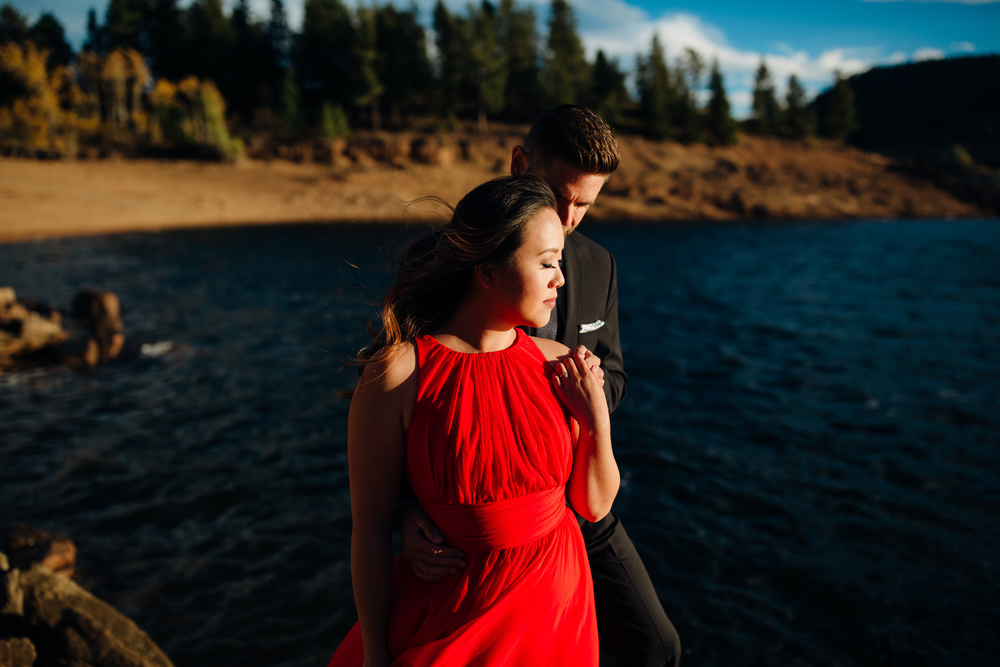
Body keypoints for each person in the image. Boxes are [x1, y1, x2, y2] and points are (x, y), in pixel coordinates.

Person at [396, 105, 682, 666]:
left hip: (571, 499)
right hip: (469, 525)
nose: (568, 217)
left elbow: (614, 371)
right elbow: (390, 399)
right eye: (558, 193)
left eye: (586, 205)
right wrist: (404, 510)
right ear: (519, 163)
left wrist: (578, 391)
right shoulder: (439, 259)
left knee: (656, 647)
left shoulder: (599, 264)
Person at [328, 174, 620, 666]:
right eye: (547, 263)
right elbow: (371, 528)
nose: (561, 280)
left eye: (561, 263)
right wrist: (375, 654)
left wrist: (596, 422)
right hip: (458, 619)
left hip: (557, 613)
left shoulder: (557, 364)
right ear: (486, 272)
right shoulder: (399, 372)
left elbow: (593, 506)